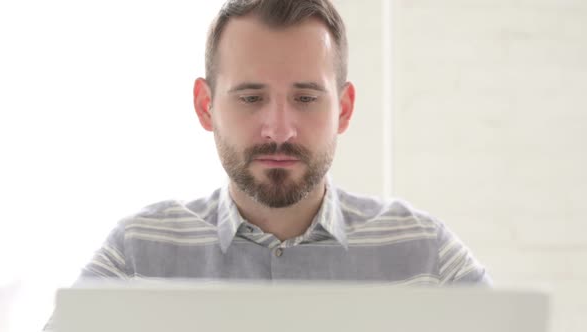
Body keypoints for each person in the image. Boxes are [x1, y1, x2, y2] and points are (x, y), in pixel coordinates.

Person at [72, 0, 491, 285]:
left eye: (305, 98)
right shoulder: (137, 256)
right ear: (205, 106)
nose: (278, 129)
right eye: (251, 98)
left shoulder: (426, 258)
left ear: (344, 110)